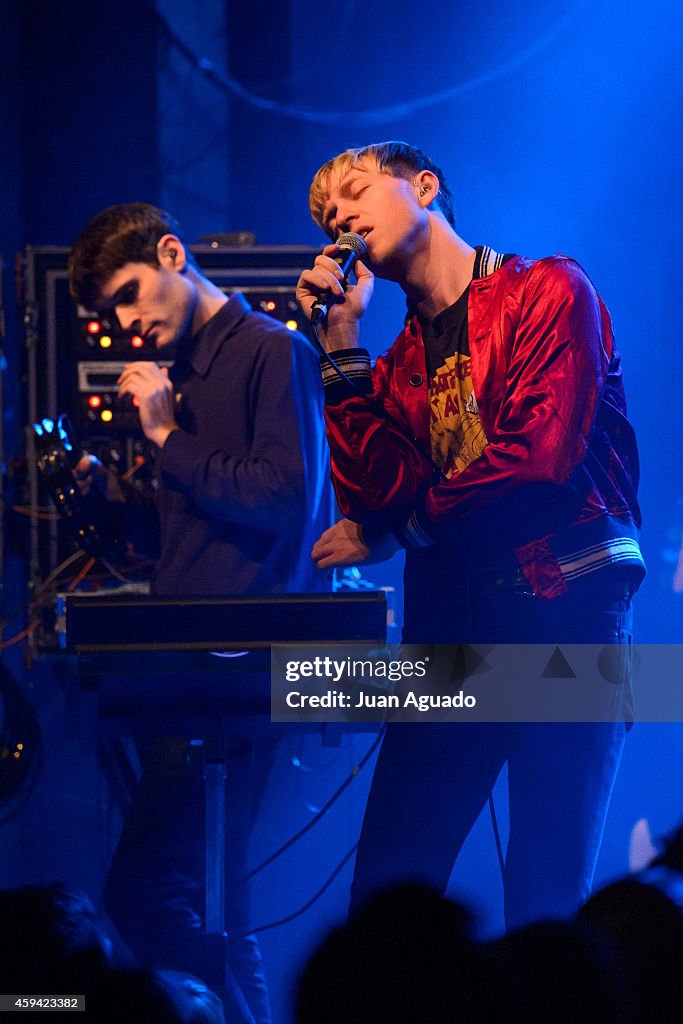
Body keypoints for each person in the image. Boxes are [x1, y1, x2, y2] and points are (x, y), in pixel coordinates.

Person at [296, 142, 645, 928]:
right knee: (385, 898)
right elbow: (373, 496)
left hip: (564, 607)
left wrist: (410, 525)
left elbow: (539, 457)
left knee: (543, 904)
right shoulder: (391, 368)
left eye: (353, 193)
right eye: (325, 215)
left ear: (424, 187)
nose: (338, 217)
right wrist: (342, 351)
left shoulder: (549, 289)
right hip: (450, 632)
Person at [68, 202, 332, 1024]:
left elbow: (288, 501)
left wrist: (165, 435)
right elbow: (189, 534)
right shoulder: (182, 378)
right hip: (187, 673)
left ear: (174, 254)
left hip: (243, 675)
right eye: (108, 314)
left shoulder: (272, 353)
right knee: (215, 900)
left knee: (156, 894)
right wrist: (109, 501)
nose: (124, 324)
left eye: (128, 295)